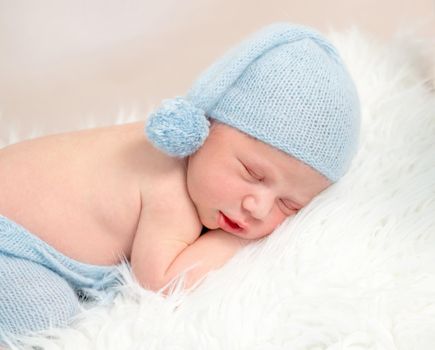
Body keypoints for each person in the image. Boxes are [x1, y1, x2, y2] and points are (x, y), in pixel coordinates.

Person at [0, 22, 360, 341]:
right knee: (47, 318)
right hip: (9, 240)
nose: (258, 206)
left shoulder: (200, 174)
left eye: (289, 205)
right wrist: (230, 244)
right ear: (204, 127)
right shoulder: (169, 186)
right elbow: (160, 282)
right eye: (252, 174)